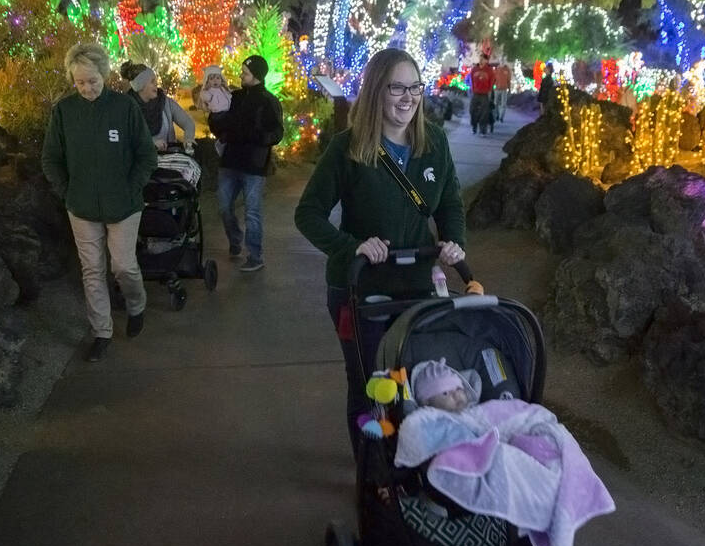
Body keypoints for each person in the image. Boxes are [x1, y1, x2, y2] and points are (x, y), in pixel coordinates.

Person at [294, 48, 467, 456]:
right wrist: (351, 247)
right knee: (371, 385)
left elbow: (450, 204)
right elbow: (308, 214)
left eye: (415, 87)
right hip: (358, 289)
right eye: (396, 88)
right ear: (376, 91)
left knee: (415, 380)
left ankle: (410, 461)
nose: (408, 98)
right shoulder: (348, 148)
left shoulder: (433, 143)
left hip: (415, 285)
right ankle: (371, 475)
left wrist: (453, 241)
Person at [42, 42, 158, 362]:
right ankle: (102, 331)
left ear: (104, 75)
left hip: (123, 204)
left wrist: (131, 188)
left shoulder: (124, 108)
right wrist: (66, 191)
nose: (87, 88)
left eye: (92, 81)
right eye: (80, 82)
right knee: (92, 269)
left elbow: (146, 156)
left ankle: (136, 305)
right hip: (81, 206)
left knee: (122, 265)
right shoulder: (64, 112)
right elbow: (50, 159)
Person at [209, 54, 284, 272]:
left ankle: (255, 254)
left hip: (253, 164)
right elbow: (222, 122)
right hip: (230, 160)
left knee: (252, 211)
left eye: (246, 73)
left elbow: (277, 132)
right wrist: (216, 120)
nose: (242, 75)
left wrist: (258, 138)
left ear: (257, 76)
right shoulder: (235, 97)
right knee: (224, 205)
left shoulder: (269, 101)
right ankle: (234, 240)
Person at [121, 61, 196, 153]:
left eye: (156, 81)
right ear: (141, 86)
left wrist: (188, 139)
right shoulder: (127, 108)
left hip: (168, 159)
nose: (156, 84)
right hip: (141, 163)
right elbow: (124, 140)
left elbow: (188, 123)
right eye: (152, 81)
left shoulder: (165, 102)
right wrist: (151, 144)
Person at [469, 53, 495, 134]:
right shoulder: (474, 69)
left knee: (484, 112)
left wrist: (490, 91)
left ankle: (483, 129)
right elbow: (472, 80)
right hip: (476, 93)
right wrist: (472, 89)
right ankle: (474, 126)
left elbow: (492, 81)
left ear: (486, 61)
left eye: (483, 59)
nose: (481, 60)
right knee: (472, 110)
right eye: (480, 58)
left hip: (485, 94)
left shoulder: (489, 70)